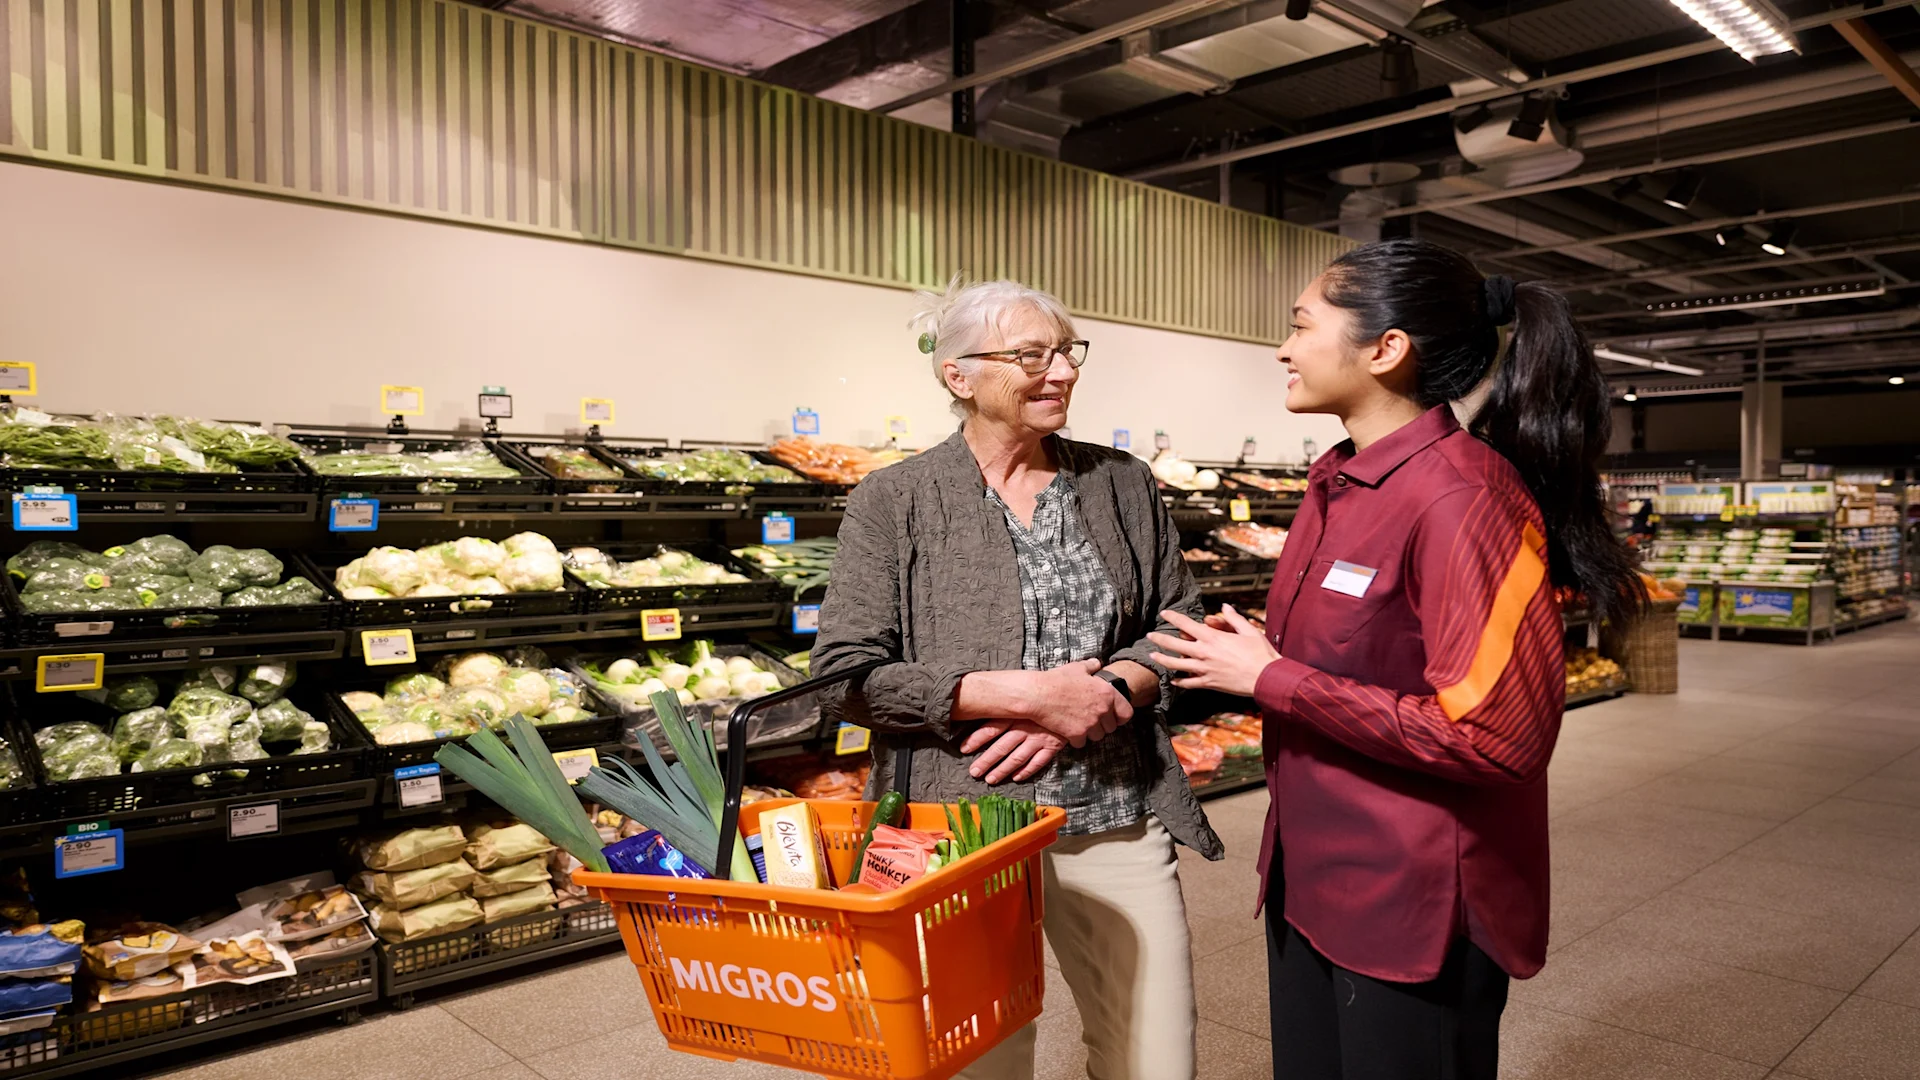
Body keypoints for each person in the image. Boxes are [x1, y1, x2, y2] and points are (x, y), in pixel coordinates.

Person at [1149, 239, 1642, 1080]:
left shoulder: (1464, 500)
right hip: (1313, 874)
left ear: (1386, 349)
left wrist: (1272, 678)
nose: (1282, 348)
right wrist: (1266, 658)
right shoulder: (1337, 480)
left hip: (1412, 902)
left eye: (1301, 325)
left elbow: (1496, 738)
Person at [813, 277, 1223, 1080]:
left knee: (1156, 1050)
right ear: (956, 375)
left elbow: (1178, 621)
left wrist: (1102, 696)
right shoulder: (894, 498)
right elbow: (846, 673)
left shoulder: (1121, 482)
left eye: (1069, 352)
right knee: (978, 1056)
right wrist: (1023, 696)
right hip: (958, 819)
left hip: (1114, 807)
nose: (1062, 371)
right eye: (1032, 354)